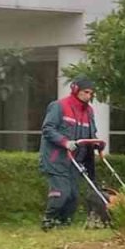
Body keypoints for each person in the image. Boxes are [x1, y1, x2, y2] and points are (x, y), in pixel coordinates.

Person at [38, 76, 100, 230]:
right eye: (86, 92)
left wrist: (96, 143)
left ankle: (64, 223)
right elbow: (48, 129)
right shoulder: (59, 106)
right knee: (62, 193)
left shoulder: (89, 111)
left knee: (73, 195)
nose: (89, 96)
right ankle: (49, 220)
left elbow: (91, 132)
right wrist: (65, 142)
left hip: (75, 161)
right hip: (56, 159)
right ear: (76, 90)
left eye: (91, 93)